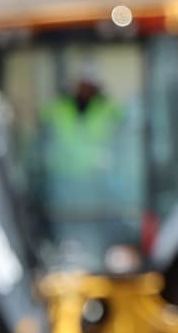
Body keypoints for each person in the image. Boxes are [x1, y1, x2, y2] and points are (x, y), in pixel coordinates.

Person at [33, 60, 142, 272]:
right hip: (62, 190)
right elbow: (43, 139)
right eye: (83, 84)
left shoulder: (110, 110)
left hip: (99, 189)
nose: (86, 89)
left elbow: (124, 143)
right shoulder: (57, 109)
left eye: (91, 84)